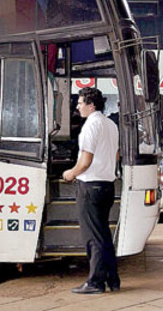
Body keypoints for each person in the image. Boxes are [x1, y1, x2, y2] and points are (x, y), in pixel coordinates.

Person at [62, 87, 120, 294]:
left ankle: (95, 282)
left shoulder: (90, 126)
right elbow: (116, 156)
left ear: (91, 104)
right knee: (103, 235)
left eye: (80, 102)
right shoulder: (110, 125)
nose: (77, 106)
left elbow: (85, 161)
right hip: (107, 186)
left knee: (93, 237)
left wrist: (71, 173)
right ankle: (112, 279)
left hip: (90, 187)